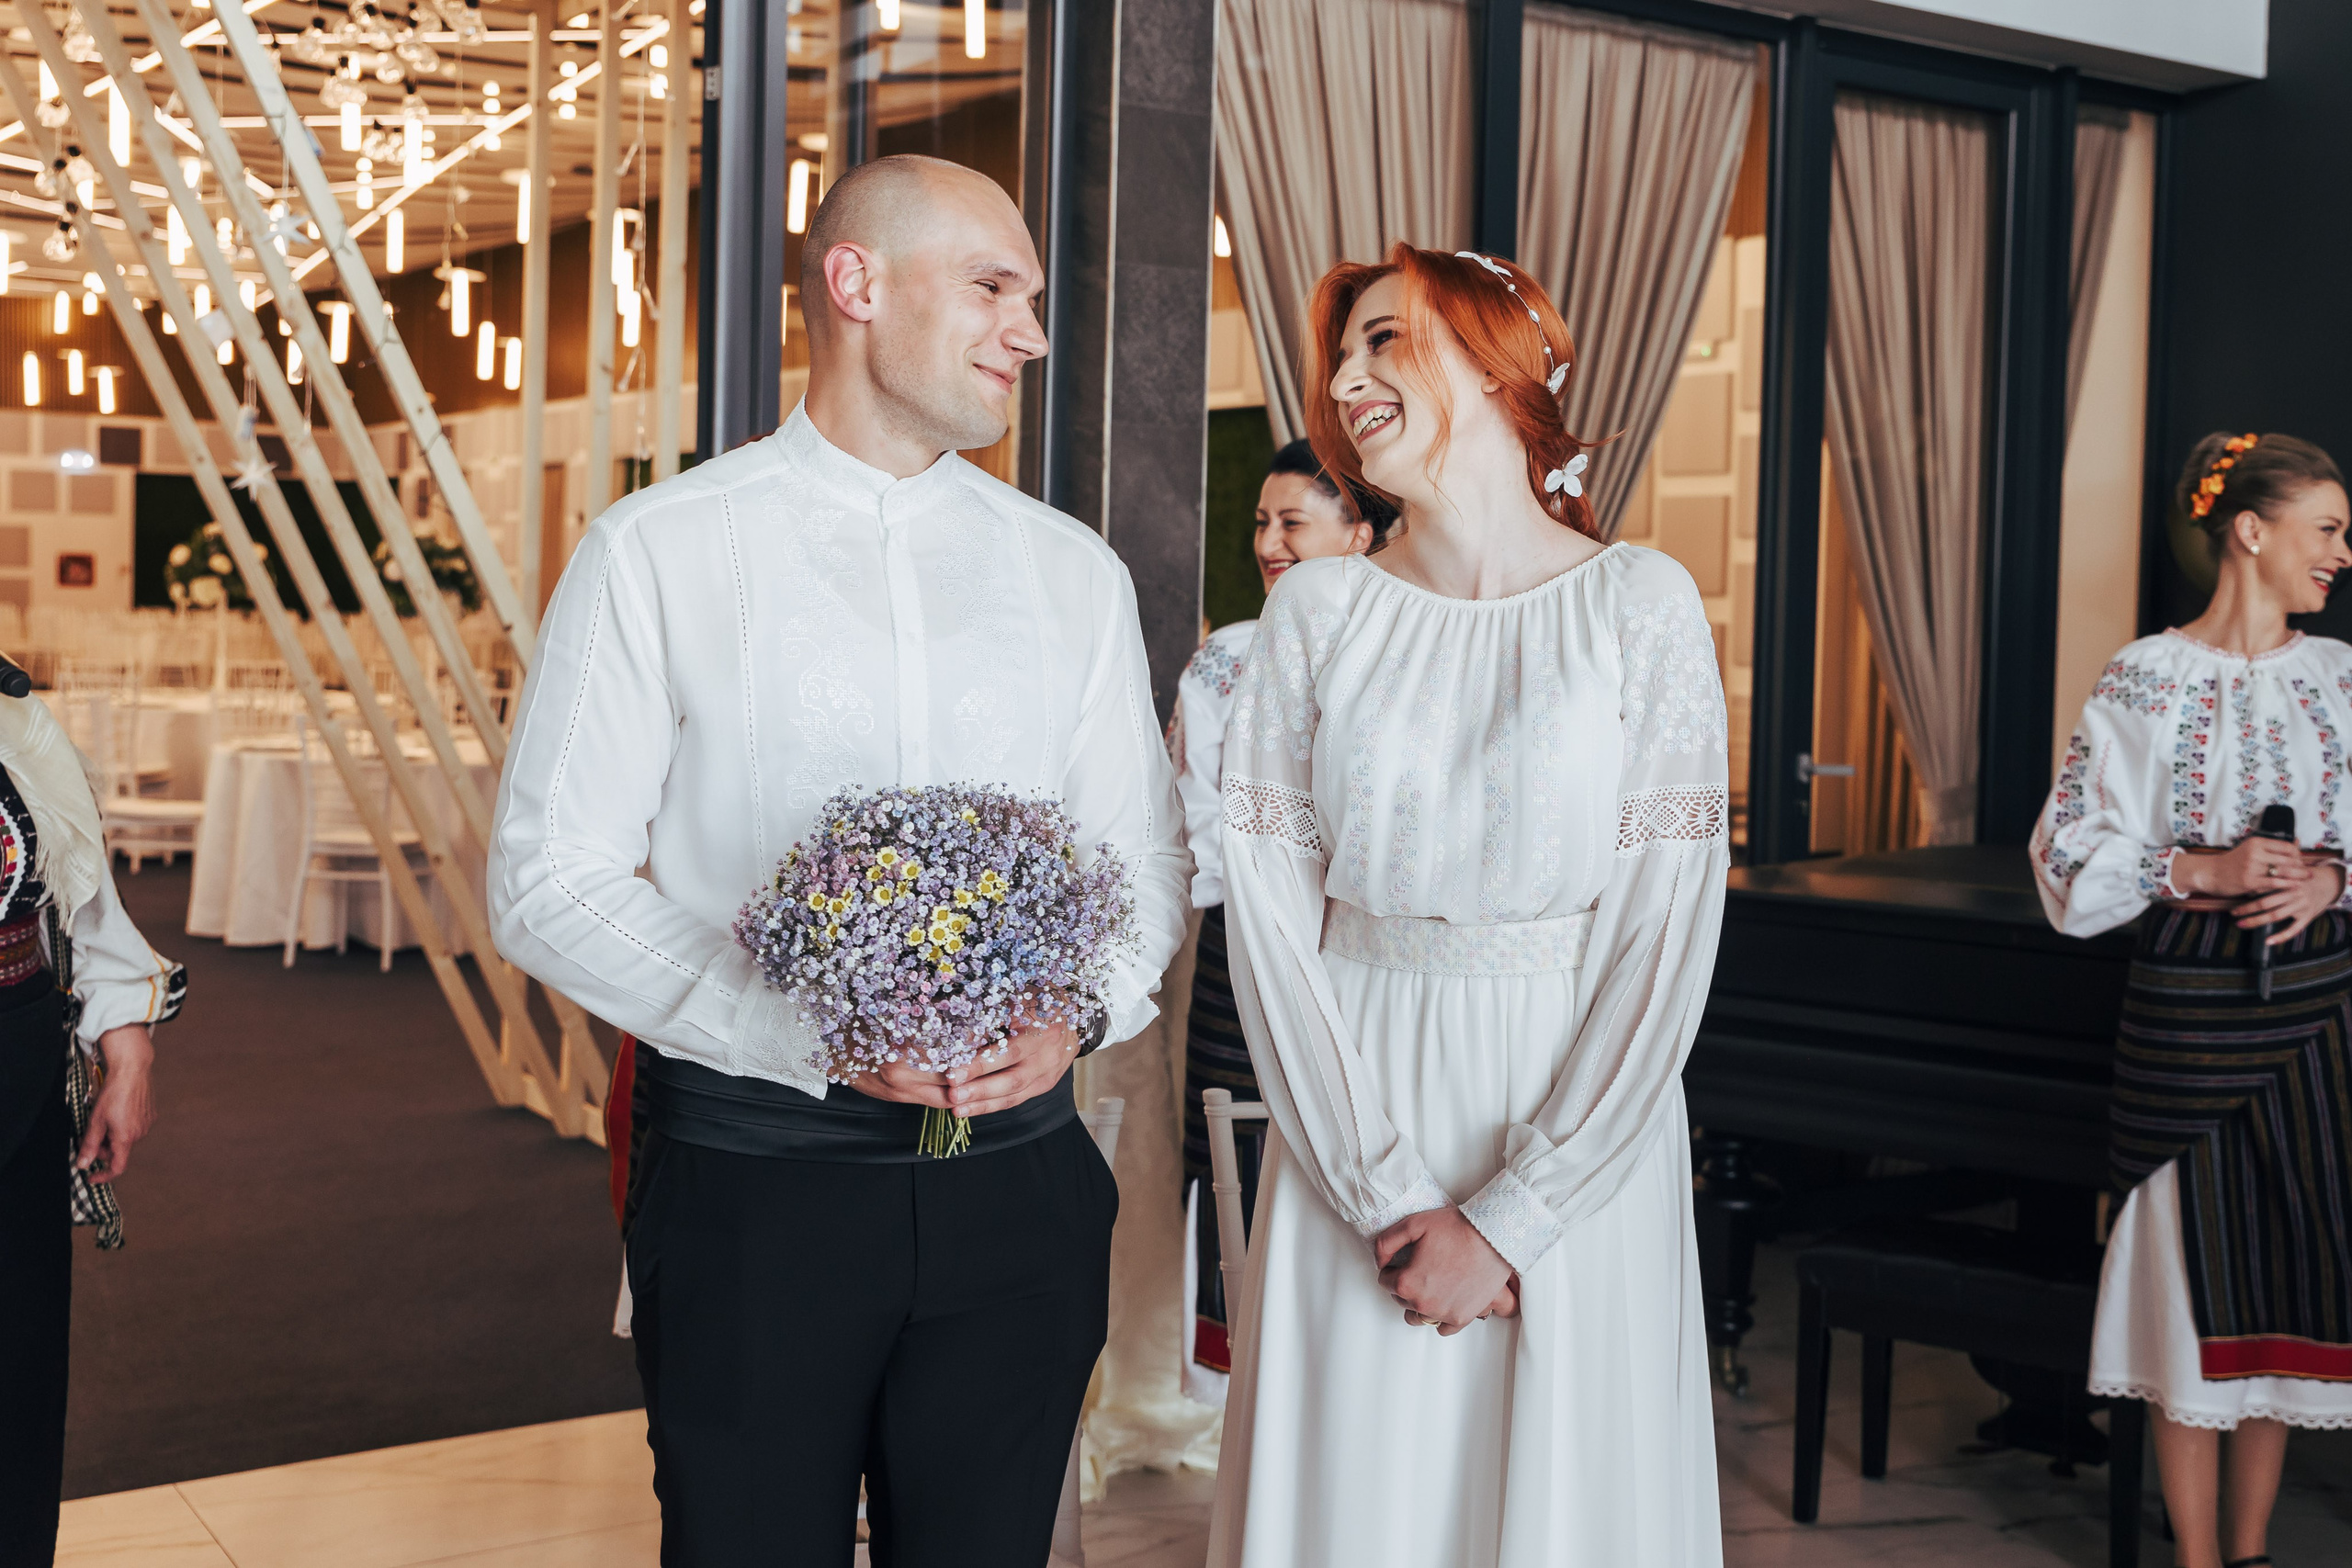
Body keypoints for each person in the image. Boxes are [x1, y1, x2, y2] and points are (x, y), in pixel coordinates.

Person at [488, 154, 1191, 1567]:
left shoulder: (1075, 575)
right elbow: (546, 877)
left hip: (1023, 1186)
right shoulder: (657, 552)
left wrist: (1082, 1014)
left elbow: (1146, 867)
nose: (1032, 335)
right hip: (759, 1191)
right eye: (997, 287)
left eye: (1037, 300)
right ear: (855, 283)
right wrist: (802, 1029)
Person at [1207, 243, 1728, 1567]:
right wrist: (1386, 1195)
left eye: (1389, 338)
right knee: (1356, 1501)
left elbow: (1664, 933)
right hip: (1354, 1114)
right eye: (1344, 350)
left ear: (1500, 362)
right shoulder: (1317, 613)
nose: (1347, 375)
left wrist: (1513, 1216)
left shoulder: (1640, 604)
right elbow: (1269, 916)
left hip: (1580, 1126)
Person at [2032, 432, 2352, 1568]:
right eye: (2327, 528)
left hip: (2313, 1020)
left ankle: (2252, 1554)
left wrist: (2330, 874)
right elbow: (2066, 851)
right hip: (2185, 1014)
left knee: (2285, 1273)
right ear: (2250, 531)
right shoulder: (2144, 676)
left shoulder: (2340, 678)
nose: (2343, 555)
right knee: (2181, 1282)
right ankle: (2195, 1562)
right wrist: (2197, 870)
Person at [1174, 439, 1389, 1398]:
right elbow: (1200, 815)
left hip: (1373, 947)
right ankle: (1245, 1378)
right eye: (1261, 522)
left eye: (1291, 521)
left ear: (1362, 532)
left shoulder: (1408, 653)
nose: (1268, 541)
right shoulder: (1228, 660)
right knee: (1240, 1145)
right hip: (1243, 938)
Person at [0, 693, 186, 1566]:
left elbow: (81, 901)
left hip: (19, 1093)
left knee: (18, 1388)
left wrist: (125, 1039)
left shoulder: (16, 722)